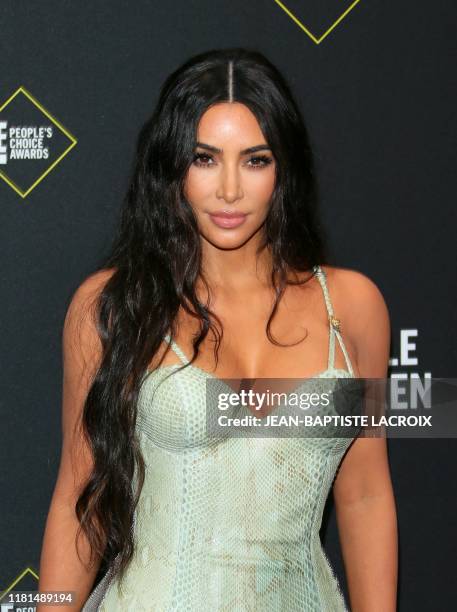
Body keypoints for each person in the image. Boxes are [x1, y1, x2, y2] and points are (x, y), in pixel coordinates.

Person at [37, 48, 398, 611]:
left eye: (255, 160)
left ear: (285, 169)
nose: (229, 189)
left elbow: (366, 497)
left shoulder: (353, 307)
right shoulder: (110, 307)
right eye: (204, 159)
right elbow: (78, 502)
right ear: (171, 166)